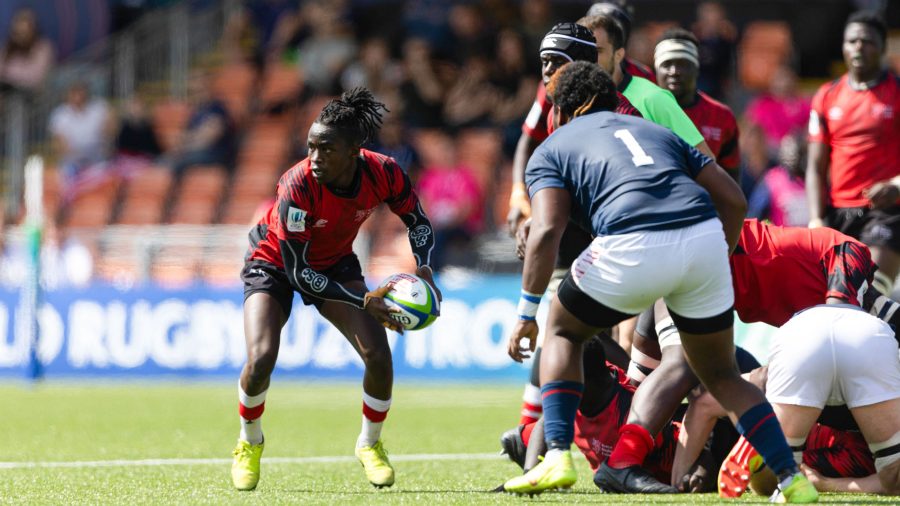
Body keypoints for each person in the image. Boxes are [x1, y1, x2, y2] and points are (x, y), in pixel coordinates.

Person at [499, 61, 815, 502]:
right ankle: (791, 478)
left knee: (562, 329)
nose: (551, 117)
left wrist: (525, 313)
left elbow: (547, 230)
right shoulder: (660, 133)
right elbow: (734, 198)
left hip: (633, 240)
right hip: (703, 239)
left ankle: (556, 454)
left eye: (553, 107)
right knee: (724, 376)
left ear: (569, 108)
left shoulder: (553, 146)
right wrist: (712, 260)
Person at [231, 88, 440, 491]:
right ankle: (249, 441)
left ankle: (370, 444)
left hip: (335, 262)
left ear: (354, 150)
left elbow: (418, 221)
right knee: (260, 360)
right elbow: (299, 271)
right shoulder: (297, 185)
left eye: (326, 149)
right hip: (275, 262)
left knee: (378, 355)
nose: (315, 158)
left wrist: (425, 268)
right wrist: (364, 299)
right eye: (311, 147)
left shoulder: (385, 172)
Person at [506, 22, 640, 427]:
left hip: (619, 237)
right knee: (561, 331)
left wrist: (548, 217)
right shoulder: (550, 102)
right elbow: (528, 143)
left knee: (582, 336)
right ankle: (533, 433)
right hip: (572, 235)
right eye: (542, 62)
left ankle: (641, 407)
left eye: (552, 62)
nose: (544, 71)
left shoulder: (625, 109)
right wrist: (524, 198)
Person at [691, 306, 900, 497]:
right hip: (861, 437)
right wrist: (825, 484)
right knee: (782, 479)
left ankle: (764, 442)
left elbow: (706, 402)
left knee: (784, 471)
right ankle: (765, 451)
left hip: (808, 341)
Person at [807, 11, 900, 297]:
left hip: (886, 212)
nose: (859, 47)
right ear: (844, 47)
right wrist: (816, 218)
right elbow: (815, 165)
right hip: (839, 215)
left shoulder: (897, 92)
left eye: (868, 41)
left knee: (869, 292)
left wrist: (896, 185)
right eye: (852, 41)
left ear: (883, 48)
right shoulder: (826, 95)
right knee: (836, 299)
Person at [655, 28, 740, 181]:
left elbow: (731, 179)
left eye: (683, 64)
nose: (674, 71)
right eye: (666, 64)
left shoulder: (721, 116)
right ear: (656, 70)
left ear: (696, 69)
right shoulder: (640, 113)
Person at [748, 132, 808, 226]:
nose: (793, 157)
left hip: (811, 239)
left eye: (798, 153)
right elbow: (755, 215)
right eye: (789, 153)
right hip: (783, 239)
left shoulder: (814, 181)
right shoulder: (772, 180)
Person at [0, 7, 54, 95]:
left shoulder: (43, 48)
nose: (21, 36)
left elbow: (36, 78)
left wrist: (10, 79)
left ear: (33, 30)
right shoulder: (7, 48)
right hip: (5, 90)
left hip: (28, 95)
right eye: (18, 32)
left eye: (25, 32)